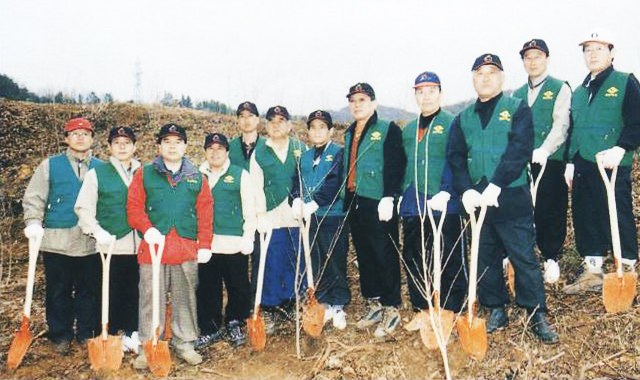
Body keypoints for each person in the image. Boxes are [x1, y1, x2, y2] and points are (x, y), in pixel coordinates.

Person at [447, 54, 558, 344]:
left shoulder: (517, 109)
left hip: (510, 195)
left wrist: (497, 184)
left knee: (523, 255)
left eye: (492, 73)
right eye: (480, 73)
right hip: (478, 201)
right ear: (473, 79)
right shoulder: (462, 118)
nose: (486, 78)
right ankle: (496, 307)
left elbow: (520, 149)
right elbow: (456, 157)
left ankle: (536, 312)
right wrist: (466, 189)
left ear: (502, 78)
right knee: (485, 256)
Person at [127, 123, 213, 368]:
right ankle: (149, 344)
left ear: (185, 146)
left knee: (185, 296)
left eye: (177, 141)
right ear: (159, 145)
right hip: (153, 247)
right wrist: (148, 229)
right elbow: (134, 208)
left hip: (185, 247)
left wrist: (205, 244)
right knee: (149, 297)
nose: (172, 146)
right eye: (167, 141)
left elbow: (205, 213)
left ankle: (185, 342)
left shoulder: (197, 177)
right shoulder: (144, 173)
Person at [562, 30, 640, 294]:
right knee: (585, 215)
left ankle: (626, 269)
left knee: (617, 215)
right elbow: (574, 128)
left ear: (612, 52)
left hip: (612, 163)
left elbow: (636, 120)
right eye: (587, 50)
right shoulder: (580, 90)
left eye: (599, 49)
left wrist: (622, 147)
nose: (592, 55)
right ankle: (593, 270)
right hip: (584, 162)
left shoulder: (625, 82)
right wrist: (570, 162)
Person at [22, 117, 103, 355]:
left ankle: (87, 333)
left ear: (92, 139)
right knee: (58, 290)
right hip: (57, 241)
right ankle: (60, 334)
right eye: (74, 133)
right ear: (66, 138)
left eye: (85, 133)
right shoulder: (50, 166)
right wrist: (33, 223)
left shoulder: (102, 168)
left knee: (90, 289)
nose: (80, 137)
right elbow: (34, 198)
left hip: (90, 242)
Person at [398, 72, 467, 323]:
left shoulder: (452, 123)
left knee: (447, 254)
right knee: (415, 255)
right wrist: (400, 194)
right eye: (420, 91)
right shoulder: (409, 129)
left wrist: (447, 191)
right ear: (415, 95)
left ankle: (451, 307)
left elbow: (457, 159)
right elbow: (405, 165)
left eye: (430, 91)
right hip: (414, 202)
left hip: (443, 201)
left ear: (440, 93)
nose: (425, 96)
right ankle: (422, 308)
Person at [342, 83, 406, 338]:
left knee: (384, 253)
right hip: (355, 201)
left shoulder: (387, 129)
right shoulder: (349, 132)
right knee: (365, 254)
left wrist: (389, 197)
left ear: (373, 103)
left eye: (362, 99)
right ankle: (374, 303)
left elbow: (395, 165)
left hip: (378, 202)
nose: (357, 104)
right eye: (353, 100)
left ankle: (392, 307)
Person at [74, 126, 142, 353]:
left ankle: (132, 332)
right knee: (110, 292)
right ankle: (111, 335)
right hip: (111, 244)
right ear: (110, 146)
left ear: (135, 146)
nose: (122, 147)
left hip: (140, 245)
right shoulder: (97, 174)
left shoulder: (145, 172)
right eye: (117, 142)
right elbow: (84, 208)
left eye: (127, 142)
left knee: (135, 290)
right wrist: (96, 231)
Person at [512, 39, 572, 284]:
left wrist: (545, 149)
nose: (532, 61)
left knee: (550, 207)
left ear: (546, 58)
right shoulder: (516, 94)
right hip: (522, 163)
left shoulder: (560, 87)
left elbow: (562, 123)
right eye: (527, 57)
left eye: (537, 56)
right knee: (522, 208)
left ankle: (551, 256)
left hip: (550, 158)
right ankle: (521, 256)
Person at [290, 110, 350, 329]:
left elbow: (335, 182)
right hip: (310, 218)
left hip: (332, 215)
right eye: (313, 127)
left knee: (334, 259)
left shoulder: (338, 154)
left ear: (331, 131)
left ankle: (339, 305)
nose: (317, 131)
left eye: (322, 127)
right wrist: (295, 200)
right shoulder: (304, 157)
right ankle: (323, 302)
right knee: (314, 259)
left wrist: (316, 202)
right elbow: (296, 182)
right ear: (308, 131)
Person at [250, 106, 307, 333]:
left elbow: (307, 179)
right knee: (271, 260)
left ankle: (292, 303)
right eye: (271, 121)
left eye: (281, 121)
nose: (276, 125)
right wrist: (260, 215)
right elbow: (256, 186)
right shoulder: (260, 152)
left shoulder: (300, 148)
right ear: (266, 125)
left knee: (294, 257)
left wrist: (304, 203)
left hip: (293, 213)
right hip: (271, 214)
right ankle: (271, 307)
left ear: (290, 125)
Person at [196, 133, 256, 348]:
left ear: (227, 151)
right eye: (210, 148)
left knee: (238, 285)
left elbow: (250, 211)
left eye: (219, 148)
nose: (215, 152)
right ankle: (210, 327)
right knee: (207, 287)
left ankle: (235, 321)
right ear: (205, 151)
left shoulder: (240, 175)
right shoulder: (196, 175)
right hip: (206, 244)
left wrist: (248, 236)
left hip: (233, 243)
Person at [228, 101, 266, 312]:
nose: (246, 120)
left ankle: (259, 303)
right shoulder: (230, 148)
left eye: (250, 116)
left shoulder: (267, 146)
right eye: (242, 116)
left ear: (258, 120)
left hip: (262, 211)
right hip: (237, 213)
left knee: (261, 258)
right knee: (239, 263)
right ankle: (242, 308)